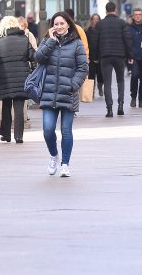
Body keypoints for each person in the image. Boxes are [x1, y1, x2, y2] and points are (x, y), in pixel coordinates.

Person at [35, 12, 88, 177]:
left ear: (68, 25)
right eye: (55, 24)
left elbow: (82, 68)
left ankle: (65, 163)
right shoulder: (47, 41)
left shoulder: (77, 44)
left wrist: (73, 85)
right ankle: (53, 155)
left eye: (61, 24)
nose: (58, 27)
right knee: (48, 129)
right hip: (49, 93)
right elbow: (38, 58)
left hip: (68, 93)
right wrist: (50, 41)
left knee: (66, 130)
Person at [0, 16, 34, 144]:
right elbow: (32, 56)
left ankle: (6, 134)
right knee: (19, 107)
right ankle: (19, 136)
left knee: (6, 105)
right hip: (21, 76)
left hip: (5, 77)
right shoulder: (24, 39)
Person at [96, 2, 133, 117]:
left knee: (107, 82)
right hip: (119, 56)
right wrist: (130, 56)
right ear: (115, 10)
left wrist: (97, 56)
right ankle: (120, 106)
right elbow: (127, 40)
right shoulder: (122, 23)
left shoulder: (100, 24)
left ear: (106, 10)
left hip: (105, 56)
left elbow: (96, 41)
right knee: (120, 80)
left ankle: (109, 109)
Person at [127, 8, 142, 108]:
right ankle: (133, 97)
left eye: (139, 14)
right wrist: (128, 55)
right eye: (135, 14)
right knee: (135, 76)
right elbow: (127, 42)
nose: (137, 16)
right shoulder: (128, 27)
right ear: (132, 16)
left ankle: (141, 99)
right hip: (134, 57)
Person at [85, 13, 103, 97]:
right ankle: (91, 91)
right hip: (91, 56)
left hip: (100, 56)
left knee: (100, 75)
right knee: (91, 75)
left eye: (97, 19)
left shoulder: (102, 31)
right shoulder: (87, 31)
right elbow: (86, 44)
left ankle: (100, 87)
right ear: (91, 20)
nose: (95, 21)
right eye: (94, 19)